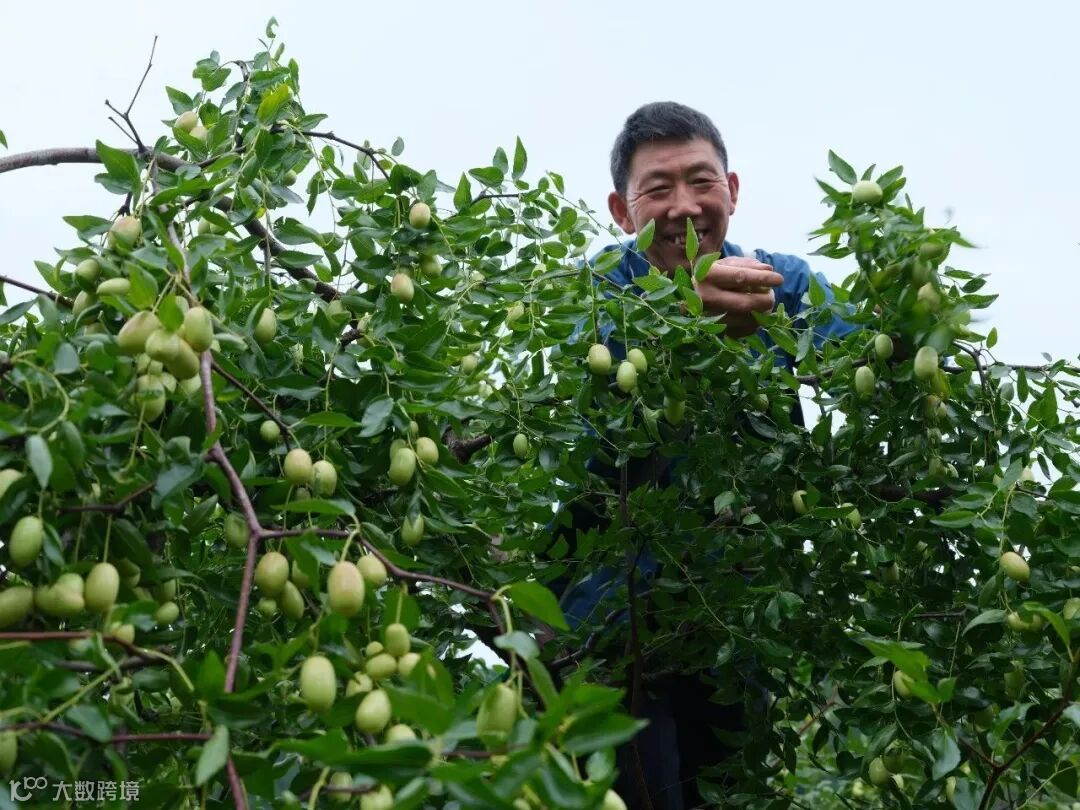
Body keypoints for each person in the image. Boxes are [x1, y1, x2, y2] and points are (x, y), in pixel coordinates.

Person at [553, 102, 857, 810]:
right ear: (621, 212)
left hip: (735, 628)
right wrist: (687, 322)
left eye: (701, 181)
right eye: (658, 189)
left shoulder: (783, 284)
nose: (684, 207)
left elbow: (869, 359)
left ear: (733, 191)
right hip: (612, 624)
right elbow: (589, 412)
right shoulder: (593, 293)